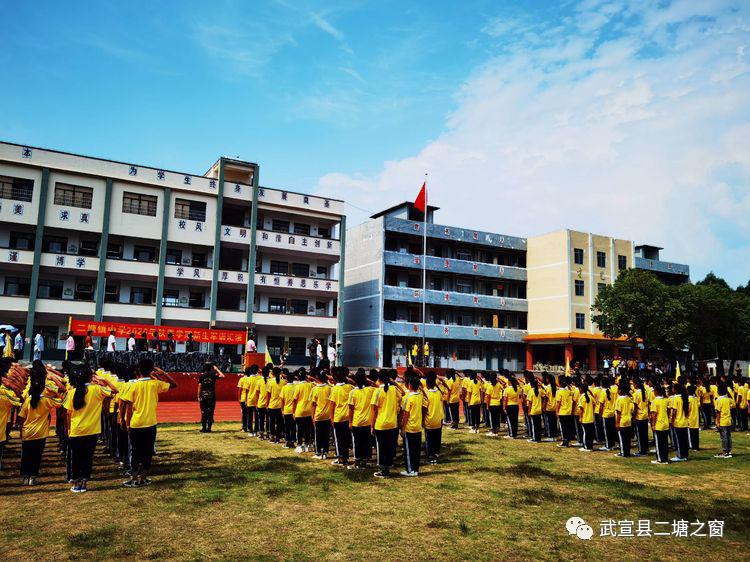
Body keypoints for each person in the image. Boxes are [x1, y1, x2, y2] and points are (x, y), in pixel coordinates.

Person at [119, 358, 177, 487]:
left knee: (135, 451)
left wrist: (126, 422)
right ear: (151, 370)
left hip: (136, 423)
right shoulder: (155, 384)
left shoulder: (133, 386)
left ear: (138, 370)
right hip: (150, 423)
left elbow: (128, 407)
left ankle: (134, 479)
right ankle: (143, 478)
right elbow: (174, 385)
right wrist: (164, 373)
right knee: (147, 452)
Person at [65, 362, 119, 492]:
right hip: (92, 430)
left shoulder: (72, 392)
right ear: (91, 377)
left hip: (76, 429)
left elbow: (68, 413)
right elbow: (115, 390)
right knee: (87, 457)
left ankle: (76, 483)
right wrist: (104, 379)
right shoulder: (97, 389)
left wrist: (68, 429)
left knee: (76, 458)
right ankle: (84, 483)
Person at [17, 361, 61, 485]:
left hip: (27, 432)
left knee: (26, 455)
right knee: (36, 455)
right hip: (40, 433)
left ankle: (25, 477)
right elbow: (60, 401)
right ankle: (33, 477)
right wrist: (55, 392)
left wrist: (21, 431)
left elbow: (21, 418)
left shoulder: (27, 401)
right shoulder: (46, 400)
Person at [371, 370, 401, 478]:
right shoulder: (394, 389)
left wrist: (372, 425)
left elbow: (374, 410)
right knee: (389, 446)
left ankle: (383, 470)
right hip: (392, 423)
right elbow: (403, 394)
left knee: (381, 448)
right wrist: (394, 383)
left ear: (379, 379)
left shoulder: (377, 392)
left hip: (381, 424)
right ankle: (388, 467)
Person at [348, 369, 374, 468]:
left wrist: (350, 422)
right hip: (367, 421)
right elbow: (377, 386)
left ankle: (358, 461)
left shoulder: (353, 392)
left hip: (357, 421)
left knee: (357, 442)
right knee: (366, 441)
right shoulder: (370, 390)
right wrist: (368, 381)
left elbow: (351, 408)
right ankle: (365, 460)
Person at [399, 377, 425, 477]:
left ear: (410, 385)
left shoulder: (409, 398)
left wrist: (402, 428)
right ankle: (415, 469)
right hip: (418, 427)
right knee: (416, 450)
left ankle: (410, 470)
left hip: (410, 427)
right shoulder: (420, 396)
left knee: (409, 451)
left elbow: (406, 414)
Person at [423, 371, 444, 463]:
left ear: (427, 384)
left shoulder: (427, 394)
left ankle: (430, 457)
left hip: (429, 421)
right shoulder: (438, 393)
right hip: (438, 419)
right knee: (437, 438)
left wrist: (422, 420)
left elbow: (424, 409)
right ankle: (436, 454)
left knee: (429, 440)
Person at [311, 371, 332, 459]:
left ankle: (318, 452)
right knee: (326, 435)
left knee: (318, 435)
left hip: (318, 415)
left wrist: (312, 417)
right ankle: (325, 452)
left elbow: (313, 404)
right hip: (327, 415)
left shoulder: (315, 389)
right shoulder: (329, 388)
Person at [198, 362, 224, 433]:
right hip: (211, 395)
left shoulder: (202, 376)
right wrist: (217, 369)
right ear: (211, 368)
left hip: (203, 395)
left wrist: (198, 396)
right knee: (210, 412)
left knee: (203, 411)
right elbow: (222, 376)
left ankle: (203, 428)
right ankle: (209, 428)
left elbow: (199, 387)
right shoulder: (213, 375)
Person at [292, 369, 314, 453]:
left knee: (300, 430)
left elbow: (294, 400)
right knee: (307, 429)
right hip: (309, 411)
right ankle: (307, 445)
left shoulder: (297, 387)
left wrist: (293, 412)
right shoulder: (310, 385)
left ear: (298, 377)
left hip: (300, 410)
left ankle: (299, 445)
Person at [649, 384, 670, 465]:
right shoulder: (666, 400)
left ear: (656, 392)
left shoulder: (655, 401)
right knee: (665, 442)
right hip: (665, 423)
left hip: (659, 424)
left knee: (659, 443)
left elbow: (654, 414)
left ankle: (660, 459)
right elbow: (668, 411)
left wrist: (653, 424)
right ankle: (665, 458)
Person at [614, 381, 634, 458]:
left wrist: (617, 423)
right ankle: (627, 452)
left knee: (622, 438)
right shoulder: (629, 398)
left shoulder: (619, 399)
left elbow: (618, 412)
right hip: (628, 420)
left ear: (620, 390)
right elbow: (632, 409)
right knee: (627, 438)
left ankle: (623, 453)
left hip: (622, 420)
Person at [670, 383, 689, 462]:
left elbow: (674, 411)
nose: (672, 389)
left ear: (676, 389)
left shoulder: (676, 398)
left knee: (679, 440)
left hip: (678, 421)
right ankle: (684, 455)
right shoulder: (684, 397)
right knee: (684, 440)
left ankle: (680, 455)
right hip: (684, 421)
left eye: (673, 388)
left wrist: (672, 420)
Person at [576, 381, 597, 452]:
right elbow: (594, 404)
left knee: (585, 433)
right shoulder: (590, 397)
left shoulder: (582, 397)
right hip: (591, 417)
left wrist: (580, 417)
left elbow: (581, 409)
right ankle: (590, 446)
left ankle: (586, 447)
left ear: (581, 389)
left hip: (585, 418)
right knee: (590, 433)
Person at [714, 383, 733, 458]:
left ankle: (725, 452)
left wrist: (717, 422)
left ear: (719, 391)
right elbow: (733, 405)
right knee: (728, 436)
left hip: (722, 420)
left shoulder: (719, 399)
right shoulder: (728, 399)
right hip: (729, 420)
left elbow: (718, 412)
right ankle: (729, 451)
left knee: (724, 437)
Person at [266, 367, 285, 443]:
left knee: (272, 422)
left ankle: (272, 436)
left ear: (272, 373)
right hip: (280, 405)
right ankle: (278, 436)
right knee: (280, 422)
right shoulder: (284, 382)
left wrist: (267, 405)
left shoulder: (270, 382)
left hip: (272, 405)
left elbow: (268, 395)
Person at [555, 375, 575, 448]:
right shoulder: (569, 391)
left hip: (562, 412)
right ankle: (568, 440)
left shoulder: (559, 392)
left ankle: (565, 442)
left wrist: (556, 412)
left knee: (563, 428)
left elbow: (558, 403)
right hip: (569, 411)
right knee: (568, 427)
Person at [280, 371, 297, 448]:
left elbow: (282, 400)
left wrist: (282, 410)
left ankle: (287, 441)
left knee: (287, 426)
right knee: (293, 426)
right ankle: (293, 441)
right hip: (294, 410)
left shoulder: (284, 388)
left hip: (287, 409)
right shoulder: (296, 387)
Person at [485, 372, 503, 437]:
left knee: (492, 419)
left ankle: (493, 431)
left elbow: (488, 397)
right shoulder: (498, 384)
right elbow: (504, 385)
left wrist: (487, 405)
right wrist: (499, 380)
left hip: (492, 403)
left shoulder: (489, 385)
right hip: (497, 403)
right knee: (497, 418)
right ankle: (496, 431)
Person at [237, 367, 252, 432]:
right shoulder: (251, 379)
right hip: (251, 398)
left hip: (243, 398)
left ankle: (244, 427)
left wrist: (239, 398)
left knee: (244, 413)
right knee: (250, 414)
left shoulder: (242, 379)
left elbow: (240, 390)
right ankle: (249, 427)